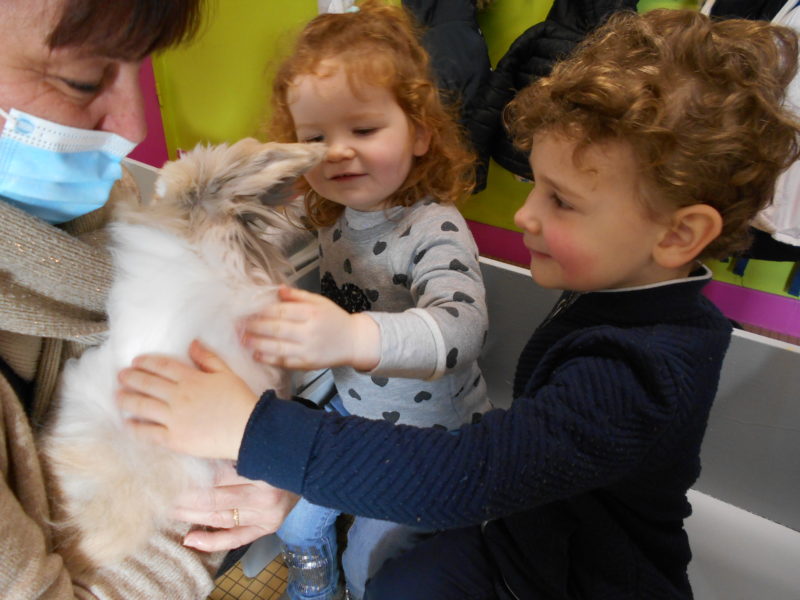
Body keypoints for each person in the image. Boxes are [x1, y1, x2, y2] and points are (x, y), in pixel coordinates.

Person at [116, 9, 800, 599]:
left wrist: (251, 430)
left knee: (387, 566)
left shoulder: (645, 370)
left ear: (680, 233)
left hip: (576, 575)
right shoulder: (619, 295)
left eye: (561, 200)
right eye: (537, 184)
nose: (525, 214)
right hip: (521, 526)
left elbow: (465, 472)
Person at [0, 0, 284, 597]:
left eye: (141, 68)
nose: (135, 127)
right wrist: (192, 512)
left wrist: (262, 455)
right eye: (81, 79)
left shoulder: (108, 195)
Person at [234, 3, 491, 598]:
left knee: (372, 561)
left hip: (427, 438)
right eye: (315, 138)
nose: (338, 152)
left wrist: (352, 337)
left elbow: (463, 327)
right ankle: (315, 585)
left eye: (364, 130)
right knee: (298, 523)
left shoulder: (434, 227)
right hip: (356, 412)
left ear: (421, 132)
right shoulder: (325, 209)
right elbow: (259, 233)